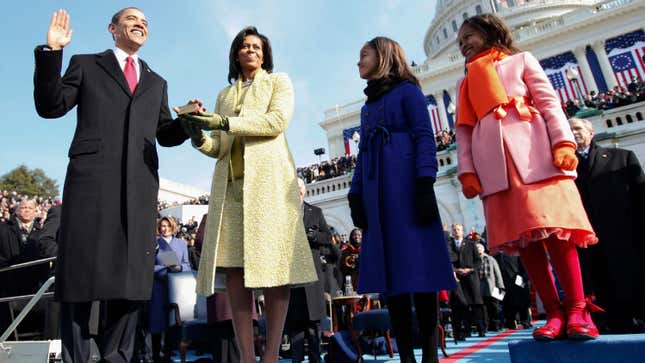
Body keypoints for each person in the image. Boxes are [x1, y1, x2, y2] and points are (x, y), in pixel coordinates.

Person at [33, 8, 188, 362]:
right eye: (132, 19)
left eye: (146, 22)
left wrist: (186, 122)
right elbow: (51, 105)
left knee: (130, 280)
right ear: (113, 28)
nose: (140, 24)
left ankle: (117, 356)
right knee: (80, 277)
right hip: (92, 184)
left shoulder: (156, 82)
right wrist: (52, 53)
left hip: (138, 189)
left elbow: (164, 134)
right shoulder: (86, 64)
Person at [455, 14, 599, 341]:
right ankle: (554, 312)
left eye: (469, 36)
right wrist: (467, 171)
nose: (463, 43)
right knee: (527, 244)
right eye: (460, 39)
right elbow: (463, 132)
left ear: (490, 32)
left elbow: (549, 102)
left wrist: (563, 142)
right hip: (497, 170)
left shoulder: (521, 60)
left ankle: (577, 309)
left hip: (536, 157)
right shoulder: (465, 83)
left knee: (558, 236)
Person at [179, 26, 317, 363]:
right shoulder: (225, 95)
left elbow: (275, 122)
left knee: (274, 271)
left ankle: (270, 355)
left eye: (256, 46)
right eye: (244, 46)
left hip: (269, 187)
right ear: (236, 55)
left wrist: (223, 123)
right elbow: (219, 147)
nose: (250, 50)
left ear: (265, 54)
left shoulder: (278, 82)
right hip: (232, 190)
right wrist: (197, 135)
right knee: (236, 273)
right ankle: (246, 357)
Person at [348, 36, 457, 363]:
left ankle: (428, 353)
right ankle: (406, 355)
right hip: (376, 195)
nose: (358, 62)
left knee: (420, 269)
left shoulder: (409, 92)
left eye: (363, 54)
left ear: (382, 56)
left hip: (407, 189)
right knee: (390, 275)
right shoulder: (367, 107)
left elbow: (424, 135)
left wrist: (425, 181)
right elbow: (363, 152)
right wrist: (355, 194)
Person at [569, 118, 645, 333]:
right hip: (591, 242)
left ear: (590, 132)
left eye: (577, 128)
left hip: (626, 237)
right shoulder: (565, 169)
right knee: (604, 288)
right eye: (569, 130)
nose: (573, 133)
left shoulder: (621, 157)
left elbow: (640, 197)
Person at [285, 178, 331, 363]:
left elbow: (327, 237)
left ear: (304, 191)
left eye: (299, 188)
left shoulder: (316, 212)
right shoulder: (284, 214)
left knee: (313, 325)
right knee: (295, 326)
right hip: (292, 275)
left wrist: (314, 236)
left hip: (312, 277)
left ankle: (315, 360)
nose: (297, 192)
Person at [149, 216, 191, 362]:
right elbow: (149, 267)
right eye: (162, 226)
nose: (164, 229)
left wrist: (179, 268)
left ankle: (169, 353)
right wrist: (165, 269)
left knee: (174, 322)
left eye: (167, 226)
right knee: (157, 322)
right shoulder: (154, 243)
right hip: (159, 288)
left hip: (176, 289)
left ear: (173, 227)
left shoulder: (181, 244)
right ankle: (156, 354)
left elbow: (187, 265)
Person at [446, 223, 484, 339]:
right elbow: (448, 260)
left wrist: (470, 269)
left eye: (458, 229)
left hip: (471, 278)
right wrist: (455, 270)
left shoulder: (471, 244)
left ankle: (481, 329)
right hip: (457, 278)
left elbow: (478, 261)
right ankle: (464, 330)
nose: (456, 231)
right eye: (454, 230)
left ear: (462, 231)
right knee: (461, 305)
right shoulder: (449, 245)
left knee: (476, 304)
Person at [476, 243, 504, 332]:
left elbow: (497, 273)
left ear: (483, 250)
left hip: (491, 285)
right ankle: (485, 326)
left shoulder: (491, 259)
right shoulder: (475, 260)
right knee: (483, 308)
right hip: (479, 286)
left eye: (480, 248)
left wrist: (500, 285)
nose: (478, 250)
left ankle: (495, 325)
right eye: (477, 248)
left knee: (494, 306)